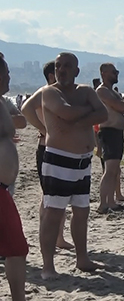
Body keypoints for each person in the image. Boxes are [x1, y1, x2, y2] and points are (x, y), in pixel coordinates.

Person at [40, 52, 108, 279]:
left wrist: (79, 117)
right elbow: (66, 114)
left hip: (83, 161)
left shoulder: (86, 91)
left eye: (67, 66)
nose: (62, 69)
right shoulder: (50, 92)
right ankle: (48, 266)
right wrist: (88, 113)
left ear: (77, 70)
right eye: (58, 65)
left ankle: (82, 258)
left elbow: (104, 113)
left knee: (82, 212)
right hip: (59, 160)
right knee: (53, 214)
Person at [20, 61, 73, 249]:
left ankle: (58, 236)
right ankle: (53, 236)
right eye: (62, 71)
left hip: (58, 148)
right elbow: (25, 109)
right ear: (52, 75)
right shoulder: (46, 92)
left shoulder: (57, 94)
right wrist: (44, 129)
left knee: (55, 196)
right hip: (47, 148)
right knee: (50, 197)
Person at [0, 54, 29, 301]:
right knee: (16, 248)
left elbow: (23, 120)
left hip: (3, 188)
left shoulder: (2, 102)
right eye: (6, 71)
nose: (10, 76)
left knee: (16, 248)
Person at [95, 63, 124, 214]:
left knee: (115, 170)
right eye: (113, 72)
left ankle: (111, 201)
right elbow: (122, 107)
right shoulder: (102, 91)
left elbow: (123, 107)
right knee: (109, 170)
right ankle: (103, 204)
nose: (116, 74)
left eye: (116, 71)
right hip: (109, 132)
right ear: (104, 73)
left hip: (116, 132)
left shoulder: (111, 91)